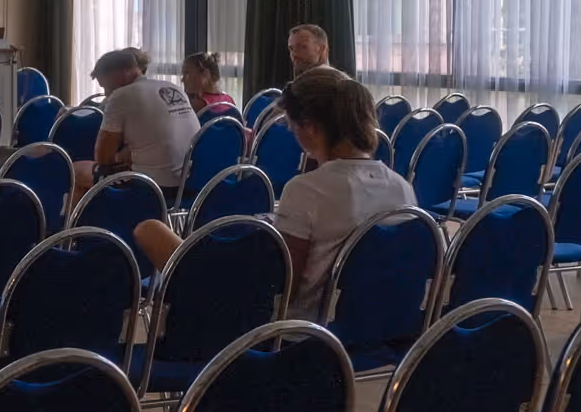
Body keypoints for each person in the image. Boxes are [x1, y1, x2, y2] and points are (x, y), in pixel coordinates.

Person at [137, 69, 414, 318]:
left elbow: (282, 288)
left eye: (292, 126)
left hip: (295, 326)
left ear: (311, 127)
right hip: (366, 319)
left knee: (150, 231)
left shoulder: (308, 189)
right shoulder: (402, 187)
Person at [73, 48, 199, 197]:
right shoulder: (172, 87)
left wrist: (120, 157)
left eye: (106, 87)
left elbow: (103, 159)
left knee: (76, 170)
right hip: (191, 183)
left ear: (120, 73)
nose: (107, 94)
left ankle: (87, 220)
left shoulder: (120, 95)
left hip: (154, 187)